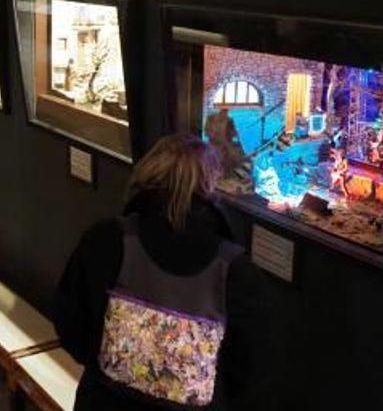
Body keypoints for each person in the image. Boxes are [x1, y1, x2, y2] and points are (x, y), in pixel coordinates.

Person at [53, 133, 269, 411]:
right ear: (209, 184)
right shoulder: (235, 270)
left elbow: (69, 321)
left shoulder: (105, 239)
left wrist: (106, 366)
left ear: (147, 174)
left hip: (106, 401)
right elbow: (252, 370)